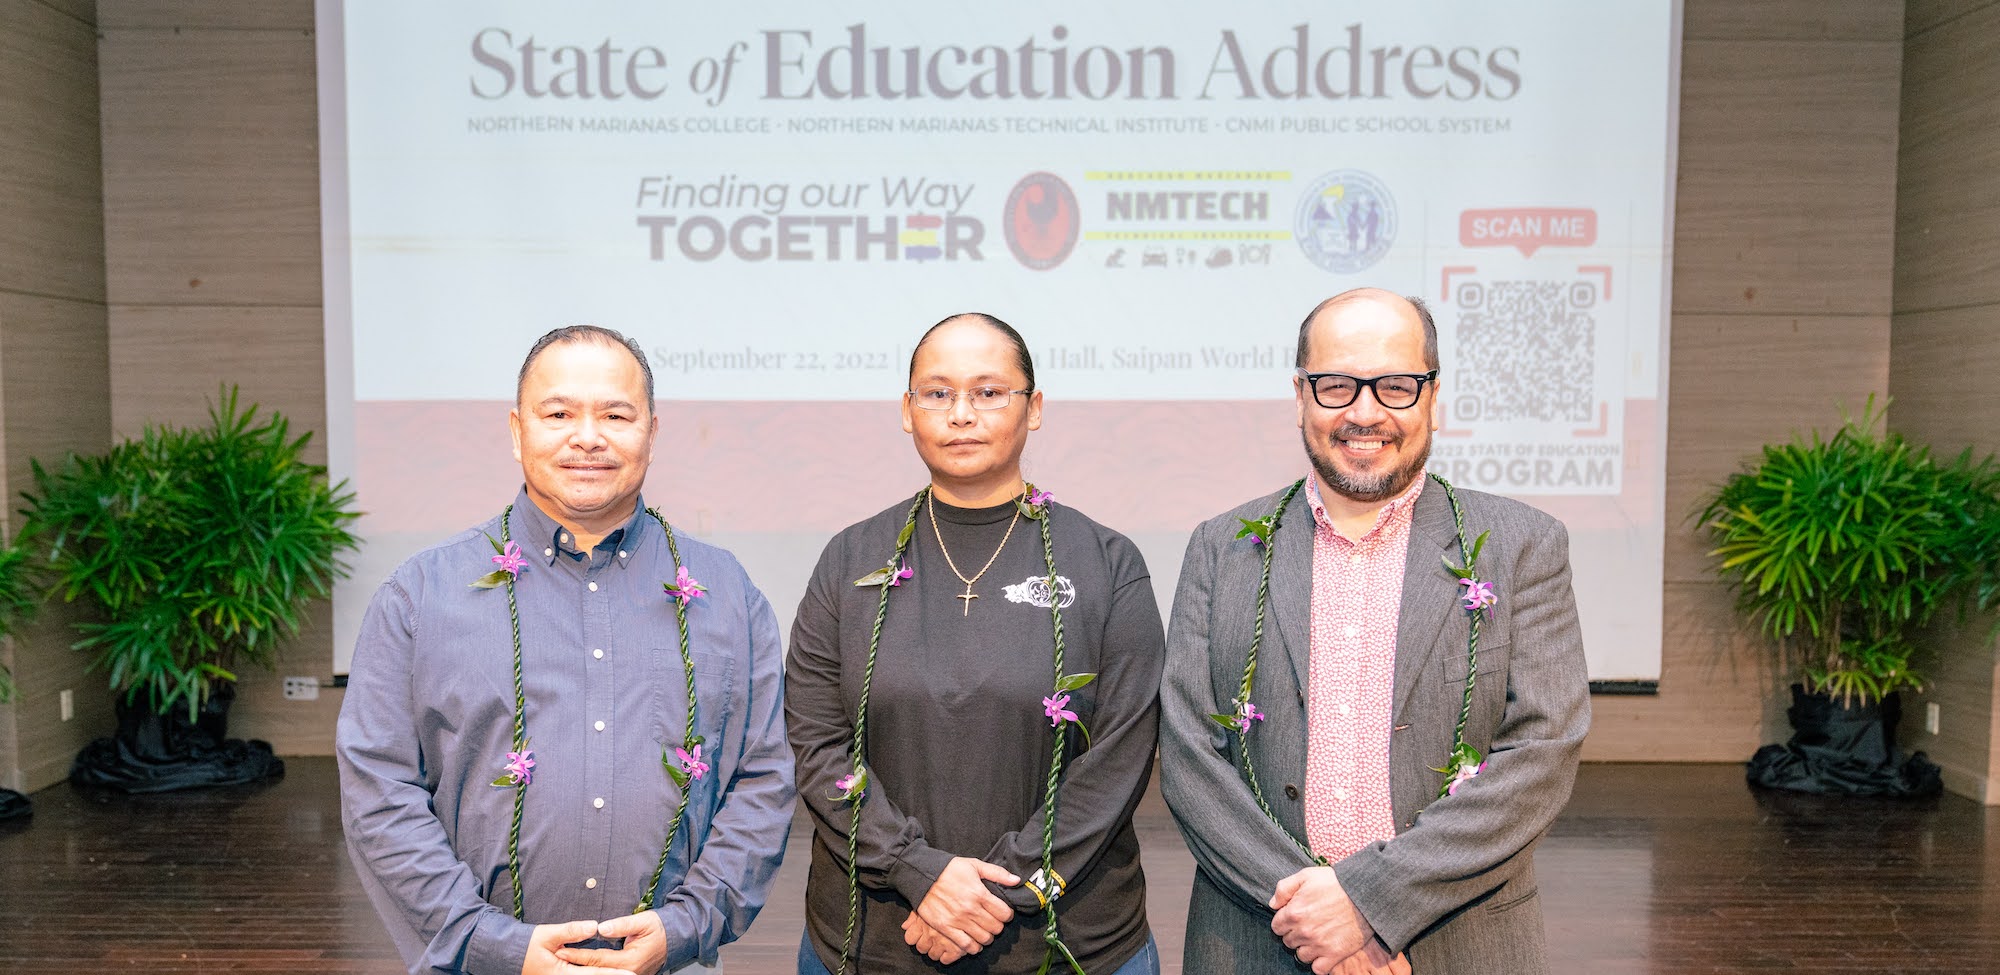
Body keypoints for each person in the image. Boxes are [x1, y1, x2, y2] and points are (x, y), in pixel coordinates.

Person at [337, 325, 795, 975]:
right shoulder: (420, 595)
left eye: (615, 413)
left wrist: (686, 925)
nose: (588, 435)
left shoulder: (728, 593)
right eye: (559, 413)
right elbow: (379, 787)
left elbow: (764, 778)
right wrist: (494, 944)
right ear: (517, 430)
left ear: (652, 433)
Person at [1159, 289, 1591, 974]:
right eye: (1336, 385)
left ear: (1433, 397)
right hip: (1254, 938)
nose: (1365, 412)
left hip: (1459, 943)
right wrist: (1318, 920)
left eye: (1395, 385)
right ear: (1300, 396)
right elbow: (1189, 757)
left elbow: (1541, 752)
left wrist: (1368, 901)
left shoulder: (1522, 545)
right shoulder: (1222, 548)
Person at [787, 313, 1166, 974]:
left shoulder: (1106, 561)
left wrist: (995, 888)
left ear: (1035, 407)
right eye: (937, 393)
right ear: (908, 411)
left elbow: (1120, 755)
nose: (961, 412)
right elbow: (818, 745)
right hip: (874, 943)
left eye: (989, 392)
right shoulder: (850, 558)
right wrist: (914, 869)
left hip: (1074, 945)